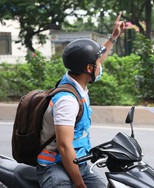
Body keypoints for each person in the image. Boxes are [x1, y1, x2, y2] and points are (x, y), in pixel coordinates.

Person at [36, 12, 125, 188]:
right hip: (54, 166)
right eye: (98, 64)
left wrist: (113, 37)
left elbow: (94, 59)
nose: (101, 66)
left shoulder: (73, 78)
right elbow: (64, 147)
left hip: (77, 161)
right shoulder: (67, 101)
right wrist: (79, 184)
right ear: (88, 68)